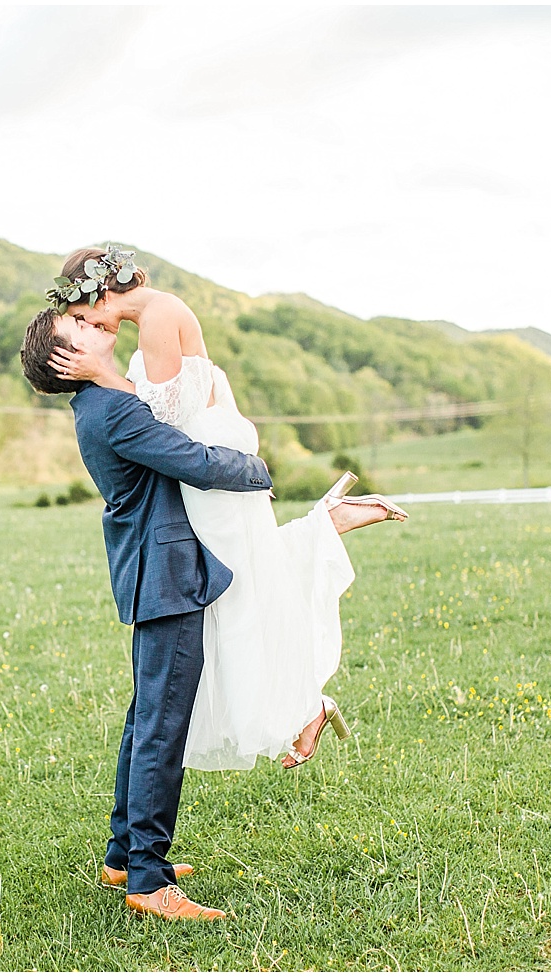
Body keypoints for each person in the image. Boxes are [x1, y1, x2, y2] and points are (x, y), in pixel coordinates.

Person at [44, 245, 408, 772]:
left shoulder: (158, 316)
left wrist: (101, 374)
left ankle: (305, 701)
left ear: (99, 292)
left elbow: (159, 420)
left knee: (237, 598)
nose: (88, 328)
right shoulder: (155, 316)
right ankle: (327, 533)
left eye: (82, 316)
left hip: (205, 466)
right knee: (242, 585)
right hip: (203, 462)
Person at [21, 306, 272, 921]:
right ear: (66, 360)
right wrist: (257, 470)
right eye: (78, 327)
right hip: (167, 577)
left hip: (153, 573)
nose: (93, 324)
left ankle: (122, 856)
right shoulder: (114, 411)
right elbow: (195, 461)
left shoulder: (106, 402)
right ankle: (148, 880)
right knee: (162, 727)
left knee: (146, 720)